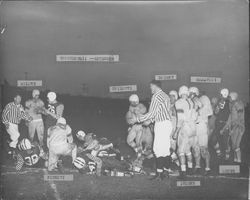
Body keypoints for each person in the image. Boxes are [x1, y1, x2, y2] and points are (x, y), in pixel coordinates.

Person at [130, 80, 172, 180]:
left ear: (155, 86)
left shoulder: (156, 96)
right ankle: (165, 172)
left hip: (161, 124)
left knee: (157, 150)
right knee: (165, 150)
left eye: (151, 86)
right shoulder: (165, 95)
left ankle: (159, 174)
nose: (150, 89)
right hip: (167, 123)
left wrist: (138, 119)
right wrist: (149, 121)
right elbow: (159, 112)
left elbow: (151, 113)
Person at [173, 86, 200, 179]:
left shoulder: (179, 102)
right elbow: (196, 115)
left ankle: (183, 172)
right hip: (193, 128)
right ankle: (190, 168)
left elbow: (180, 119)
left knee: (180, 151)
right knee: (188, 150)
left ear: (180, 92)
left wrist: (176, 131)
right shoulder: (192, 101)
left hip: (185, 128)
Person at [190, 87, 213, 175]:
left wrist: (198, 106)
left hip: (201, 125)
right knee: (195, 148)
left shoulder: (203, 99)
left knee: (203, 148)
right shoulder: (190, 101)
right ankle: (197, 166)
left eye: (191, 93)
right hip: (193, 127)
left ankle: (207, 168)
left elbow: (209, 112)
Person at [220, 92, 245, 163]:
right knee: (234, 145)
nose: (229, 99)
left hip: (239, 127)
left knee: (236, 145)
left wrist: (233, 129)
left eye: (230, 97)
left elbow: (239, 119)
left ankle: (239, 161)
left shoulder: (239, 104)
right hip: (233, 127)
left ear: (233, 97)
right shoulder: (232, 105)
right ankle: (236, 159)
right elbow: (230, 119)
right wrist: (223, 129)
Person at [211, 88, 231, 160]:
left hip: (225, 124)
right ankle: (220, 154)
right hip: (219, 124)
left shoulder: (228, 103)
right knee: (214, 140)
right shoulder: (224, 102)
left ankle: (226, 157)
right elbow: (216, 113)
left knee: (225, 142)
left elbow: (216, 112)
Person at [168, 90, 180, 168]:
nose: (169, 98)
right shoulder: (169, 105)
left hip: (173, 128)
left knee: (171, 148)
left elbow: (179, 117)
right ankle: (174, 162)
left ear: (175, 97)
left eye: (171, 96)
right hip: (168, 128)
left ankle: (177, 163)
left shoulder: (177, 105)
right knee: (169, 148)